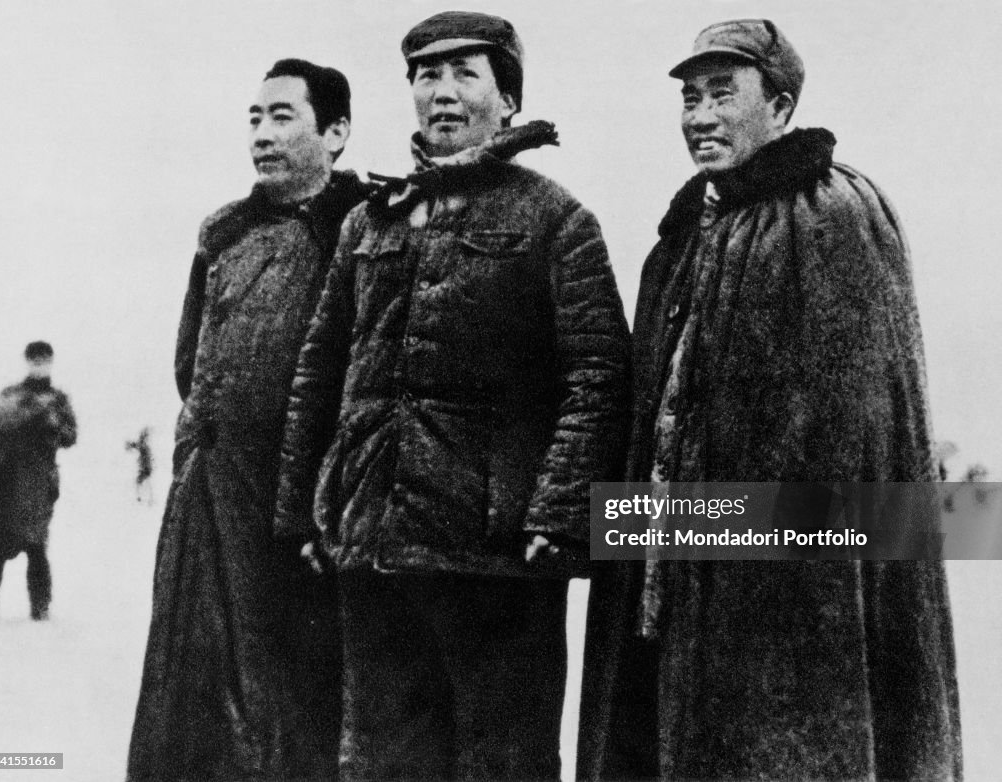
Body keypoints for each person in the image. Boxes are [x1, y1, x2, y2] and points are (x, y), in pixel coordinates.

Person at [578, 19, 962, 782]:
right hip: (672, 568)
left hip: (794, 581)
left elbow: (856, 429)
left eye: (723, 93)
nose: (700, 117)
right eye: (690, 98)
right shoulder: (683, 237)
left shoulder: (837, 215)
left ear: (781, 106)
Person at [273, 11, 630, 780]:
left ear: (507, 98)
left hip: (496, 556)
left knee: (503, 760)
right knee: (382, 759)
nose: (443, 93)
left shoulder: (555, 218)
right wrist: (306, 505)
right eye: (427, 76)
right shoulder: (369, 221)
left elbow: (597, 378)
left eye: (466, 74)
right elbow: (320, 371)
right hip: (373, 543)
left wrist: (559, 514)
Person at [127, 58, 371, 781]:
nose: (262, 134)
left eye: (283, 116)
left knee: (304, 687)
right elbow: (189, 360)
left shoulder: (361, 224)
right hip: (213, 492)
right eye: (255, 119)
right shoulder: (224, 231)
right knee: (197, 682)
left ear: (337, 132)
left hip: (309, 503)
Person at [0, 340, 76, 621]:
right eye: (34, 359)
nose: (39, 364)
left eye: (44, 359)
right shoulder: (12, 394)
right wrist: (23, 415)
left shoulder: (58, 400)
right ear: (27, 362)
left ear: (51, 362)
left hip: (38, 482)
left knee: (36, 545)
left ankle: (40, 608)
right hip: (4, 479)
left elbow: (70, 436)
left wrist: (51, 424)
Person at [125, 427, 154, 505]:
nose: (140, 438)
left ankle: (143, 498)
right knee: (143, 481)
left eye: (141, 437)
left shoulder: (144, 446)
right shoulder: (145, 446)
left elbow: (138, 446)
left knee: (140, 481)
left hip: (145, 468)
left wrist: (130, 445)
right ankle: (147, 498)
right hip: (146, 468)